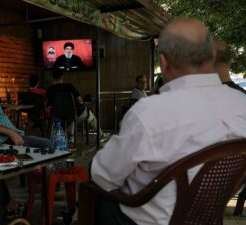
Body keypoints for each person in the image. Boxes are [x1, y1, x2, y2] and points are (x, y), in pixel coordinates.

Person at [90, 18, 246, 225]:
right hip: (208, 217)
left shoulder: (149, 112)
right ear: (212, 57)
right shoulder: (241, 103)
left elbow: (104, 178)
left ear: (163, 62)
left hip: (147, 221)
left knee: (94, 194)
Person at [46, 70, 102, 143]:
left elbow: (49, 105)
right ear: (61, 77)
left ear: (52, 78)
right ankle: (101, 134)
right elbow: (80, 100)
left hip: (57, 116)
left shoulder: (49, 90)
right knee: (86, 113)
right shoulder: (69, 86)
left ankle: (71, 136)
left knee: (71, 114)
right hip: (71, 115)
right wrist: (82, 105)